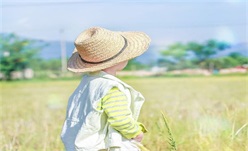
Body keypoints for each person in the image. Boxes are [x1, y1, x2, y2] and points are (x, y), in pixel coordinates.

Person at [61, 27, 151, 151]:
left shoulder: (88, 82)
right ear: (117, 61)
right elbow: (120, 119)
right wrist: (135, 133)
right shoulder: (111, 88)